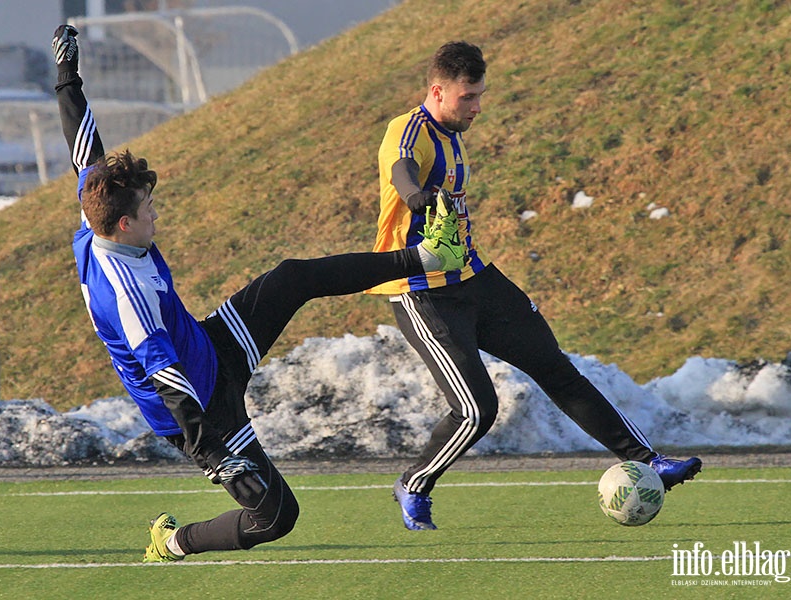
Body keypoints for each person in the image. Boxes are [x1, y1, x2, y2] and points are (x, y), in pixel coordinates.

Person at [51, 25, 466, 560]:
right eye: (148, 209)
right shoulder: (123, 291)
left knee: (293, 277)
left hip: (211, 346)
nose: (156, 212)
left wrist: (68, 78)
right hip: (200, 412)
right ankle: (173, 543)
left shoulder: (99, 214)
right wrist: (211, 453)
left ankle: (421, 259)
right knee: (275, 518)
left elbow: (85, 148)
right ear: (126, 225)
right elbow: (162, 375)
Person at [366, 41, 702, 531]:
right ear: (437, 91)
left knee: (556, 368)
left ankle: (649, 460)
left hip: (474, 277)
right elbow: (400, 169)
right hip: (422, 289)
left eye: (481, 95)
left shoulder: (453, 132)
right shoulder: (409, 129)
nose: (477, 107)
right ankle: (414, 483)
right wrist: (417, 196)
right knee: (476, 409)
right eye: (468, 98)